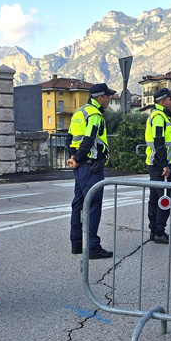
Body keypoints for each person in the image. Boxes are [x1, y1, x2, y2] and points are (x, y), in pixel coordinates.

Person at [67, 83, 115, 259]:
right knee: (93, 205)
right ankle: (93, 247)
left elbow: (70, 138)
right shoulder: (95, 115)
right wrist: (78, 159)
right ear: (100, 97)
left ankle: (77, 243)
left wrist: (73, 158)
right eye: (108, 96)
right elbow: (88, 140)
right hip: (91, 167)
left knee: (78, 204)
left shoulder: (79, 113)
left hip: (81, 167)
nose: (109, 99)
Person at [145, 88, 171, 244]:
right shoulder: (159, 117)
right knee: (165, 199)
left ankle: (154, 231)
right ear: (162, 101)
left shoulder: (159, 116)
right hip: (160, 165)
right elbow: (159, 141)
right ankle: (159, 232)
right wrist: (165, 165)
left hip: (155, 164)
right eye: (170, 99)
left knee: (155, 198)